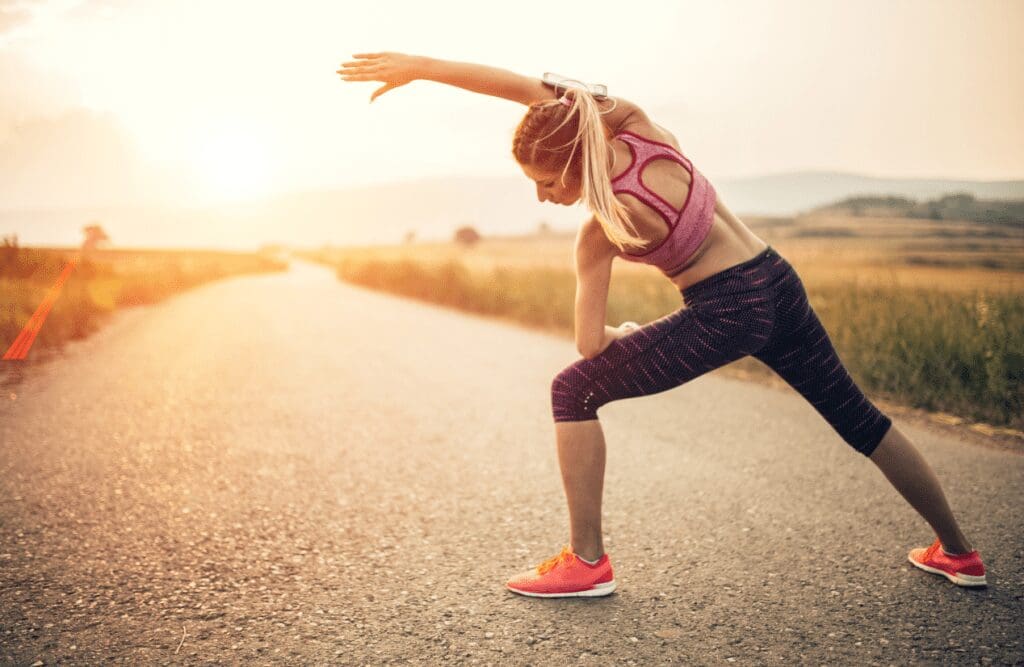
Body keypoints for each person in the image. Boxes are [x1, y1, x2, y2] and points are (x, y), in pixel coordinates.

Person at [337, 52, 987, 597]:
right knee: (860, 418)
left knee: (573, 389)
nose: (540, 196)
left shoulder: (601, 231)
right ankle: (959, 553)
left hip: (724, 309)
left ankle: (587, 561)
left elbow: (589, 347)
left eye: (541, 181)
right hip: (775, 278)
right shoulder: (634, 123)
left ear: (567, 164)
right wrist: (421, 68)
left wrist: (620, 335)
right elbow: (525, 91)